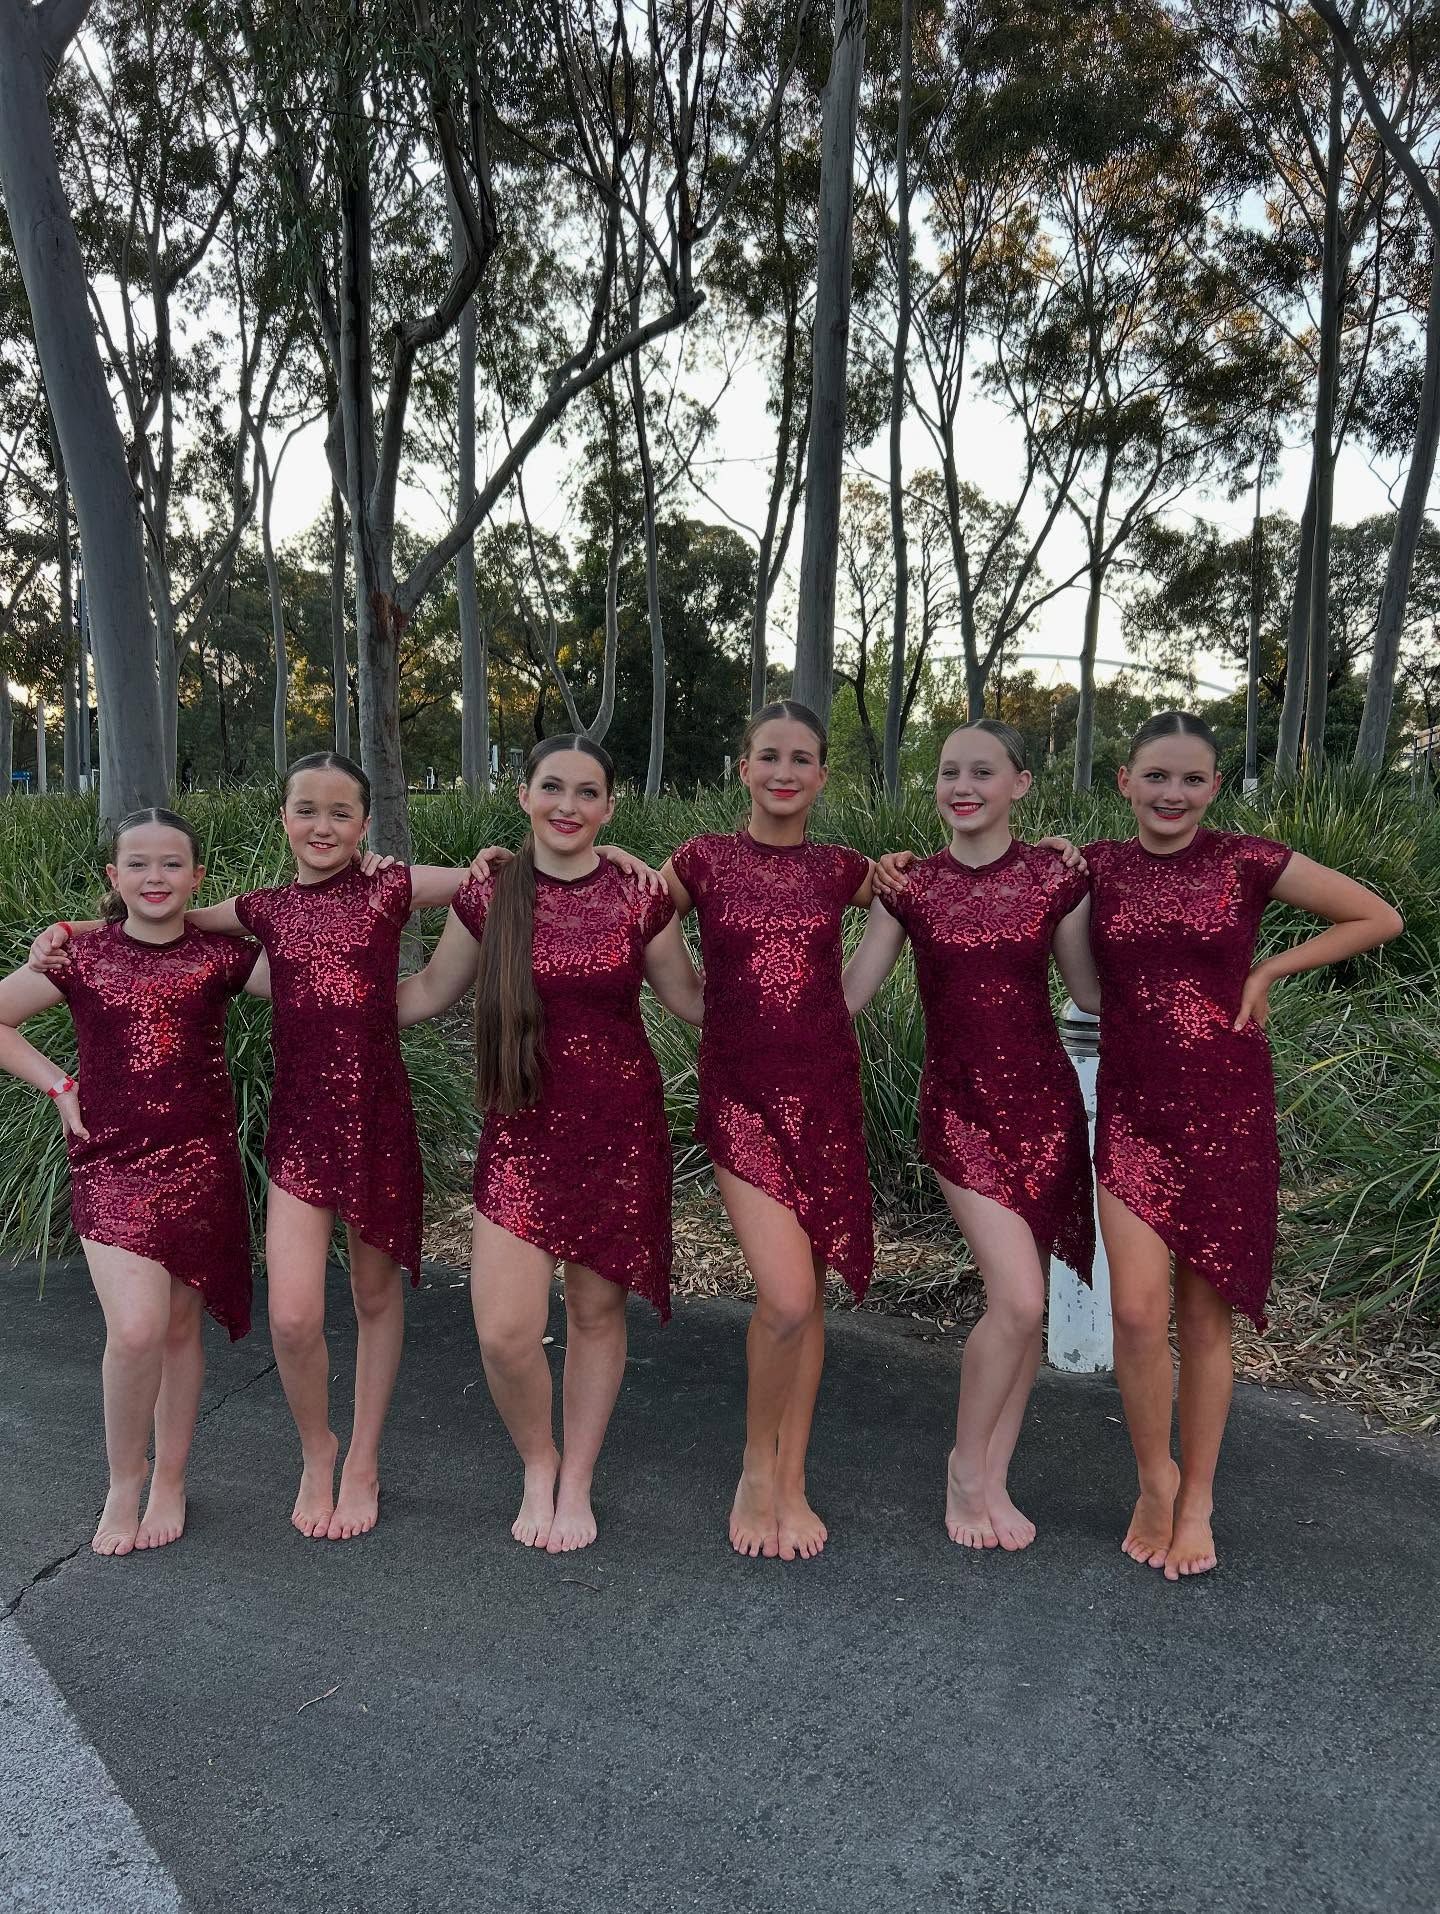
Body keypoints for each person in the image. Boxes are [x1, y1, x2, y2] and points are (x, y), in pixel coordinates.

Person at [28, 753, 508, 1543]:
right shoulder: (261, 909)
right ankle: (315, 1450)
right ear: (284, 818)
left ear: (363, 825)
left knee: (376, 1298)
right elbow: (170, 918)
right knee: (291, 1317)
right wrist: (77, 930)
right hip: (299, 1130)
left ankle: (360, 1460)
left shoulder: (390, 886)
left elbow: (488, 881)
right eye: (306, 810)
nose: (323, 826)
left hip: (378, 1121)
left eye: (341, 813)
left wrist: (491, 868)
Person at [1088, 712, 1403, 1581]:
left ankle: (1199, 1499)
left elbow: (1378, 917)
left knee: (1203, 1315)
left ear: (1214, 788)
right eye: (1155, 777)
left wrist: (1267, 971)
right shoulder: (1097, 867)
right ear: (1125, 782)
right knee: (1137, 1312)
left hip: (1227, 1113)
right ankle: (1156, 1480)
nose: (1172, 794)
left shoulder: (1249, 859)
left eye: (1191, 779)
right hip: (1133, 1111)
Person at [395, 735, 703, 1552]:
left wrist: (799, 992)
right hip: (523, 1131)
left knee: (598, 1311)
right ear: (524, 795)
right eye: (552, 787)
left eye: (587, 791)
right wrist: (320, 1000)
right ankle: (539, 1459)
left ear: (609, 807)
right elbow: (427, 990)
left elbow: (694, 1003)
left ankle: (577, 1478)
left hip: (619, 1131)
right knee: (503, 1330)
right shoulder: (488, 895)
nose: (568, 804)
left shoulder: (641, 898)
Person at [844, 720, 1099, 1551]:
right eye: (951, 771)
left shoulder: (1055, 880)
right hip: (960, 1112)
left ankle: (994, 1475)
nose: (963, 785)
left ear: (1020, 785)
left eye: (983, 772)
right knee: (1020, 1299)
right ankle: (962, 1468)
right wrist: (753, 981)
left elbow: (1090, 993)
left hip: (1045, 1110)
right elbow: (849, 995)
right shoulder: (909, 887)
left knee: (1018, 1310)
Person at [0, 809, 267, 1556]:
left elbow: (316, 979)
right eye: (139, 865)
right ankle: (126, 1478)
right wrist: (58, 1086)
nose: (157, 878)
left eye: (172, 865)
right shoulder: (81, 960)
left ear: (197, 878)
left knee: (181, 1330)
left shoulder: (219, 958)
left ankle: (173, 1478)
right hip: (112, 1160)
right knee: (138, 1329)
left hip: (199, 1162)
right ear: (115, 878)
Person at [661, 701, 876, 1562]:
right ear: (742, 768)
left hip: (825, 1098)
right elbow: (621, 906)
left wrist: (1056, 855)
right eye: (768, 757)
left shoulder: (840, 868)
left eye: (802, 759)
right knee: (784, 1296)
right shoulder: (703, 861)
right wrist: (693, 1005)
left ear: (822, 776)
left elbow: (937, 885)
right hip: (743, 1100)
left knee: (809, 1299)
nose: (785, 772)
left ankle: (793, 1477)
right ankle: (756, 1469)